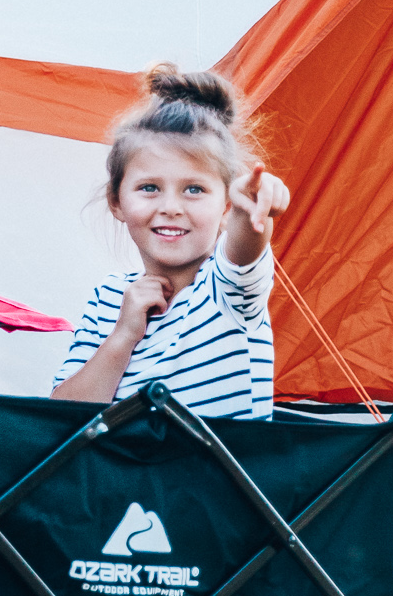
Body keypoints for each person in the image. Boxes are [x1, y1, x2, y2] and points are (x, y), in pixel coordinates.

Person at [51, 66, 288, 416]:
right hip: (118, 470)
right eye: (150, 188)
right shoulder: (109, 299)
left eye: (194, 189)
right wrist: (123, 336)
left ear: (224, 205)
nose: (171, 208)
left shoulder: (227, 289)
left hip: (207, 472)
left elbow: (244, 245)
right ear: (116, 202)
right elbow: (58, 419)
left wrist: (251, 208)